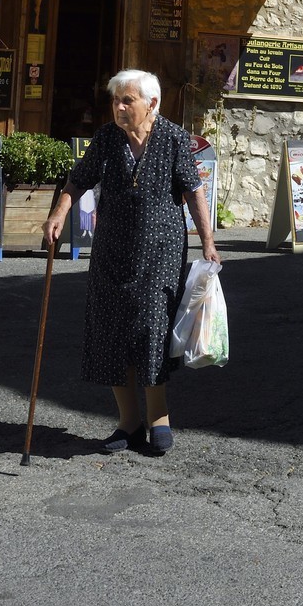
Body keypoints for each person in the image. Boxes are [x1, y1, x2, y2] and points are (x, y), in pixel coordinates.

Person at [42, 69, 220, 457]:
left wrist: (208, 242)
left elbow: (194, 191)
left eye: (128, 100)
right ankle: (128, 422)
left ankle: (159, 418)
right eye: (115, 101)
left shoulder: (173, 138)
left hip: (160, 253)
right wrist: (59, 212)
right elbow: (79, 179)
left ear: (151, 104)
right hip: (111, 251)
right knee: (111, 330)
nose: (119, 107)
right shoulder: (107, 138)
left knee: (152, 330)